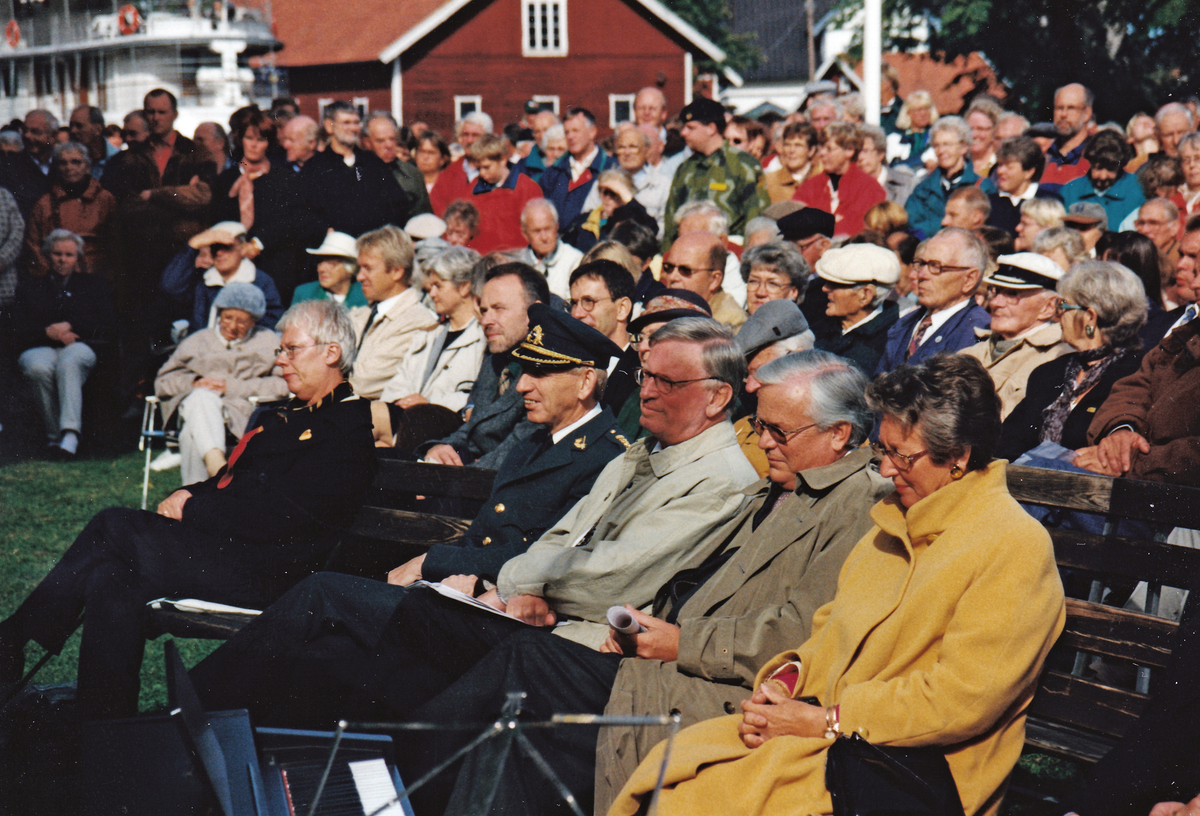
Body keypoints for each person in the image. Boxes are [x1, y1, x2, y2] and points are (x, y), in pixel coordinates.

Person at [384, 350, 893, 816]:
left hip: (711, 690)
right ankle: (393, 785)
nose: (762, 442)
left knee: (528, 665)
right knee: (493, 667)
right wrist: (644, 628)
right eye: (760, 426)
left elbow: (797, 634)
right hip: (667, 658)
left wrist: (677, 642)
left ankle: (387, 787)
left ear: (840, 435)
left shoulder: (857, 506)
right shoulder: (784, 487)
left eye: (779, 432)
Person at [190, 318, 758, 731]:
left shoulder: (717, 478)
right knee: (330, 658)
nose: (648, 391)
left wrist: (509, 584)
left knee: (326, 598)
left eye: (668, 383)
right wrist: (518, 583)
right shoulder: (641, 453)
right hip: (512, 608)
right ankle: (215, 743)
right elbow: (563, 540)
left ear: (718, 399)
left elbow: (611, 572)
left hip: (559, 639)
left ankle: (185, 716)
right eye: (647, 376)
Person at [608, 354, 1066, 816]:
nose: (886, 470)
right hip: (834, 741)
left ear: (959, 457)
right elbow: (825, 635)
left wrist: (826, 720)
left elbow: (962, 698)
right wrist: (784, 686)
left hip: (910, 771)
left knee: (701, 792)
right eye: (882, 451)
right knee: (683, 770)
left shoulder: (1013, 546)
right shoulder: (890, 526)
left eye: (901, 456)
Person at [0, 299, 378, 720]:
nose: (281, 361)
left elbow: (282, 518)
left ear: (331, 353)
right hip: (233, 554)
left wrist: (194, 508)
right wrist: (193, 492)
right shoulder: (289, 416)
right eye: (280, 350)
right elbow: (236, 479)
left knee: (113, 525)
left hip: (275, 575)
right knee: (113, 578)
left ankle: (14, 638)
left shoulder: (346, 432)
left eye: (292, 350)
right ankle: (104, 726)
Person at [999, 260, 1149, 461]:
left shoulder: (1137, 374)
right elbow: (1006, 443)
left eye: (1063, 305)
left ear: (1090, 317)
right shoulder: (1048, 373)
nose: (1057, 315)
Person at [154, 282, 288, 485]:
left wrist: (233, 387)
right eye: (227, 318)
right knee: (201, 397)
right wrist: (195, 382)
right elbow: (163, 382)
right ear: (218, 315)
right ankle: (217, 467)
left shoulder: (268, 341)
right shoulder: (197, 341)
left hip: (242, 415)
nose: (233, 327)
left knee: (191, 436)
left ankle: (196, 499)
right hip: (194, 408)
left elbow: (284, 384)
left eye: (242, 322)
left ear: (254, 322)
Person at [421, 262, 550, 467]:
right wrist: (440, 449)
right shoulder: (497, 354)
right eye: (483, 310)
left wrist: (447, 480)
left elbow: (518, 450)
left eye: (498, 309)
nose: (485, 320)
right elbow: (474, 427)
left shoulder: (550, 369)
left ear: (534, 312)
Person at [14, 229, 114, 457]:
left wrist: (72, 327)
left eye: (69, 255)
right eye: (57, 253)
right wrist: (47, 333)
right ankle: (54, 438)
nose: (62, 259)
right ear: (48, 255)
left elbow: (106, 322)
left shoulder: (93, 285)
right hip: (40, 346)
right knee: (36, 367)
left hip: (79, 346)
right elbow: (19, 328)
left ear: (77, 258)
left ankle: (70, 434)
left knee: (70, 361)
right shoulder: (30, 288)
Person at [209, 109, 308, 303]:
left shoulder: (285, 179)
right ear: (240, 139)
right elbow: (216, 221)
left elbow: (290, 222)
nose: (254, 145)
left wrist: (258, 243)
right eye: (249, 138)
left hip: (274, 264)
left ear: (268, 143)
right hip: (234, 264)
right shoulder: (225, 180)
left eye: (261, 140)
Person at [960, 252, 1073, 419]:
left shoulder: (1058, 357)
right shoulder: (973, 349)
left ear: (1049, 307)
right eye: (995, 291)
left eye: (1012, 293)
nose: (994, 303)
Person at [380, 245, 485, 414]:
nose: (432, 294)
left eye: (439, 286)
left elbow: (481, 397)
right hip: (404, 421)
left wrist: (429, 402)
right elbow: (399, 381)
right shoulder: (427, 334)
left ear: (465, 287)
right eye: (431, 287)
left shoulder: (484, 338)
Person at [876, 227, 992, 372]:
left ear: (969, 279)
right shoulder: (905, 322)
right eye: (921, 263)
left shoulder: (976, 333)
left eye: (935, 266)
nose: (921, 275)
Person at [347, 225, 439, 400]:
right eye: (360, 268)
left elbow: (363, 383)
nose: (359, 277)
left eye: (368, 268)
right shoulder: (363, 314)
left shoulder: (418, 322)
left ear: (397, 271)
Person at [662, 97, 768, 245]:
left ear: (711, 128)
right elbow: (671, 222)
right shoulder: (685, 168)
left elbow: (756, 220)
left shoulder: (743, 165)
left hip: (731, 253)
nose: (683, 133)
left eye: (691, 127)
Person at [24, 141, 117, 282]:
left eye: (76, 162)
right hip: (57, 278)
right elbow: (33, 244)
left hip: (97, 277)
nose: (69, 167)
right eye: (63, 163)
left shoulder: (105, 199)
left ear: (87, 166)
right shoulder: (45, 203)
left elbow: (116, 243)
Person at [812, 243, 900, 372]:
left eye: (835, 284)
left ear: (865, 295)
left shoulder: (889, 345)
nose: (824, 288)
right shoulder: (820, 324)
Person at [567, 259, 639, 414]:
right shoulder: (567, 363)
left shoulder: (642, 372)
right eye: (573, 303)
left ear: (622, 308)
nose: (576, 314)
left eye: (589, 301)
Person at [187, 220, 284, 333]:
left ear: (242, 249)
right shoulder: (204, 280)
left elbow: (273, 320)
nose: (219, 253)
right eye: (215, 248)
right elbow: (170, 286)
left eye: (227, 247)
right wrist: (193, 244)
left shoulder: (260, 281)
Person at [793, 122, 886, 238]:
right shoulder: (810, 187)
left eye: (829, 148)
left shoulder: (870, 189)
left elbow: (857, 230)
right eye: (821, 147)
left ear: (849, 150)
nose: (821, 153)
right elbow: (794, 225)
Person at [464, 132, 545, 254]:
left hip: (516, 259)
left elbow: (537, 230)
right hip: (481, 259)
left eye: (486, 167)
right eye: (478, 168)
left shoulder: (527, 188)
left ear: (502, 160)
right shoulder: (473, 189)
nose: (481, 173)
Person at [539, 107, 616, 228]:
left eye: (575, 130)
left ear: (592, 132)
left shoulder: (610, 168)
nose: (570, 136)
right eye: (567, 132)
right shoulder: (554, 172)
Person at [905, 116, 980, 239]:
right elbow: (912, 224)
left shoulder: (980, 186)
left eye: (947, 145)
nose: (941, 151)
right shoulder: (923, 188)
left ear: (964, 148)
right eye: (936, 145)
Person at [1061, 128, 1145, 228]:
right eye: (1098, 168)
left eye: (1110, 169)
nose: (1103, 176)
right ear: (1090, 163)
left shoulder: (1139, 190)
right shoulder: (1070, 191)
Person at [660, 231, 745, 328]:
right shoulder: (660, 306)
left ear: (714, 280)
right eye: (669, 267)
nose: (672, 277)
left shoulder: (729, 325)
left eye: (685, 270)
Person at [984, 136, 1057, 234]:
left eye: (1009, 167)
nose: (1000, 171)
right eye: (1000, 165)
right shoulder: (989, 203)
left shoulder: (1048, 202)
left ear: (1029, 172)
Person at [515, 198, 584, 298]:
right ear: (525, 234)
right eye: (536, 231)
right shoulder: (517, 263)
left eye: (547, 229)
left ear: (556, 227)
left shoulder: (574, 260)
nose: (544, 237)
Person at [290, 231, 367, 307]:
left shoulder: (366, 295)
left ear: (351, 269)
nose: (321, 269)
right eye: (320, 262)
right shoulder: (305, 294)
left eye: (332, 264)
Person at [741, 240, 809, 316]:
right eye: (754, 281)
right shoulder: (732, 324)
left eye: (773, 284)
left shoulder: (798, 327)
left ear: (793, 292)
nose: (760, 292)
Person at [763, 122, 820, 204]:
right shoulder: (769, 181)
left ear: (811, 150)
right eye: (787, 145)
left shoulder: (822, 179)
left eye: (798, 145)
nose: (791, 150)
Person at [888, 90, 937, 169]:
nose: (923, 113)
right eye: (918, 110)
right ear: (908, 113)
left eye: (926, 108)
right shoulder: (894, 139)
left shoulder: (936, 137)